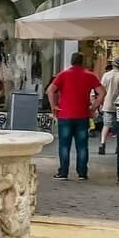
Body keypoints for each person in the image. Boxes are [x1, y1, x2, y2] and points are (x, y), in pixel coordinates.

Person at [47, 52, 103, 181]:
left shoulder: (63, 75)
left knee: (64, 145)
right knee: (82, 145)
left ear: (71, 61)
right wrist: (93, 108)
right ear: (82, 62)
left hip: (65, 114)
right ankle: (82, 173)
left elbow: (50, 90)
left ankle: (63, 172)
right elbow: (102, 92)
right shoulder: (90, 76)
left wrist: (53, 106)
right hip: (82, 115)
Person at [97, 57, 119, 155]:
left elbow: (101, 90)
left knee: (106, 125)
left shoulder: (106, 75)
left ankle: (102, 144)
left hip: (107, 103)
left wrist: (100, 102)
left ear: (112, 64)